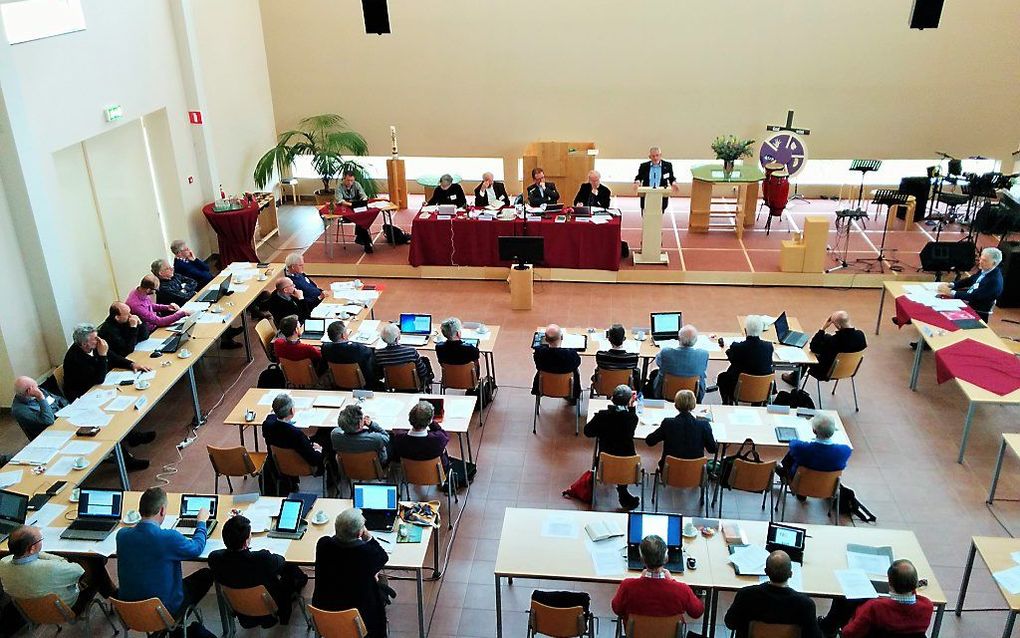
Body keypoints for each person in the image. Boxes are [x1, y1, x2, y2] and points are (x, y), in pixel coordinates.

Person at [116, 487, 213, 634]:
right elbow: (197, 547)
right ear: (162, 510)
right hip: (163, 610)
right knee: (205, 575)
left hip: (129, 611)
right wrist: (201, 522)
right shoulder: (168, 538)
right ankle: (177, 629)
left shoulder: (122, 535)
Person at [208, 515, 308, 628]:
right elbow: (281, 561)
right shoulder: (262, 559)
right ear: (246, 543)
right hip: (269, 604)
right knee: (290, 568)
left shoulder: (214, 558)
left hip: (240, 606)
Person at [0, 525, 117, 615]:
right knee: (95, 564)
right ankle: (115, 597)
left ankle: (113, 595)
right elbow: (80, 571)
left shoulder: (3, 563)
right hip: (66, 609)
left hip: (31, 611)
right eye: (40, 539)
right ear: (32, 549)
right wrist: (62, 559)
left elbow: (37, 556)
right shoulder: (53, 569)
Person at [313, 508, 391, 638]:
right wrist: (369, 538)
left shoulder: (323, 544)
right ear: (359, 532)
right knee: (380, 580)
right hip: (360, 619)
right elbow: (383, 557)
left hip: (325, 613)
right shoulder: (365, 554)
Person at [819, 559, 934, 638]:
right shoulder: (927, 606)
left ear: (890, 583)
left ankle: (827, 628)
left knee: (844, 601)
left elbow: (849, 634)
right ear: (914, 584)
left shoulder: (875, 607)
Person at [724, 550, 821, 638]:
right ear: (791, 574)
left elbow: (730, 623)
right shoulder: (805, 604)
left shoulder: (746, 595)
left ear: (766, 571)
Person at [611, 535, 704, 623]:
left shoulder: (627, 586)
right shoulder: (682, 590)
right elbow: (697, 612)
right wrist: (672, 582)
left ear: (642, 560)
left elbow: (617, 609)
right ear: (666, 558)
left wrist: (640, 580)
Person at [583, 385, 640, 509]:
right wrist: (631, 408)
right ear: (630, 401)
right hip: (627, 465)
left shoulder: (602, 416)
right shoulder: (632, 418)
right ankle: (623, 490)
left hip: (605, 464)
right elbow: (629, 418)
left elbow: (587, 432)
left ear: (612, 399)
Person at [62, 323, 149, 402]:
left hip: (101, 386)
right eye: (95, 338)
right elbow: (98, 379)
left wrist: (131, 364)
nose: (99, 340)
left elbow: (114, 357)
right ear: (85, 344)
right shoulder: (74, 358)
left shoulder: (93, 346)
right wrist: (102, 355)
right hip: (84, 394)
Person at [782, 311, 867, 387]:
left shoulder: (834, 341)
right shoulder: (861, 336)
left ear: (838, 325)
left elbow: (813, 348)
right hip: (848, 369)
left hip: (825, 372)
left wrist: (823, 328)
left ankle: (794, 379)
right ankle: (794, 378)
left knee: (808, 354)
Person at [263, 394, 324, 491]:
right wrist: (318, 450)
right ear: (292, 411)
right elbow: (314, 459)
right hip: (304, 466)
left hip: (279, 465)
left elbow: (270, 417)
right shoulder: (296, 435)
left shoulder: (267, 425)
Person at [645, 389, 717, 470]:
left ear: (676, 405)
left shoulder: (668, 423)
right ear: (694, 405)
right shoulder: (703, 425)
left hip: (669, 471)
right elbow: (712, 450)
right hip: (694, 472)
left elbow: (650, 441)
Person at [716, 315, 774, 405]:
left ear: (745, 330)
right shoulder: (769, 347)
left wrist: (727, 350)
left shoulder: (737, 347)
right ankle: (757, 403)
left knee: (722, 377)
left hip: (739, 388)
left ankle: (727, 403)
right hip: (762, 388)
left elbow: (732, 358)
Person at [937, 246, 1004, 322]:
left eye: (984, 260)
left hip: (976, 310)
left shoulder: (994, 281)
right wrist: (952, 284)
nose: (980, 262)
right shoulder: (986, 269)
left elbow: (974, 296)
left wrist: (951, 292)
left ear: (994, 263)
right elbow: (971, 279)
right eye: (980, 259)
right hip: (967, 300)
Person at [779, 413, 851, 480]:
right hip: (827, 486)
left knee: (792, 456)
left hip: (802, 483)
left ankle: (783, 473)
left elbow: (793, 443)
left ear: (814, 431)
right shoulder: (845, 451)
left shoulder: (802, 448)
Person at [653, 325, 710, 401]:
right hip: (693, 396)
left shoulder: (666, 352)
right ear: (696, 340)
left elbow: (658, 363)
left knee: (654, 374)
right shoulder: (703, 354)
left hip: (665, 393)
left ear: (679, 338)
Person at [391, 400, 451, 471]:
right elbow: (444, 434)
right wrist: (431, 423)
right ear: (429, 421)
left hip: (409, 476)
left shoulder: (399, 439)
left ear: (410, 419)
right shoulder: (437, 439)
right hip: (435, 476)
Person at [373, 323, 434, 389]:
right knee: (424, 360)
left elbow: (379, 375)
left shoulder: (378, 354)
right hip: (415, 385)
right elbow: (423, 373)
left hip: (392, 384)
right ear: (397, 337)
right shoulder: (411, 351)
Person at [532, 324, 582, 403]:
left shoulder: (539, 354)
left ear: (546, 339)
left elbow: (537, 365)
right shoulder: (570, 355)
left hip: (544, 387)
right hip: (568, 389)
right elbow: (578, 362)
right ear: (561, 337)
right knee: (575, 371)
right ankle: (572, 400)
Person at [125, 275, 190, 333]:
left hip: (155, 325)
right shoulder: (136, 306)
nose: (156, 291)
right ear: (148, 290)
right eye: (156, 289)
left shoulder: (139, 291)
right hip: (151, 332)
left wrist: (167, 307)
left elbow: (150, 305)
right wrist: (181, 314)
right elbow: (159, 322)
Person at [321, 320, 378, 386]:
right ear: (343, 335)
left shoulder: (325, 348)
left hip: (338, 382)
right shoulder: (357, 348)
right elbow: (369, 352)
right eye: (346, 332)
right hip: (362, 383)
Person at [11, 376, 67, 441]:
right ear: (29, 391)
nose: (38, 389)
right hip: (50, 433)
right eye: (36, 387)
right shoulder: (19, 410)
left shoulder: (37, 390)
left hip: (62, 418)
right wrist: (41, 398)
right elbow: (48, 420)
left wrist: (69, 409)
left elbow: (59, 399)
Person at [334, 170, 375, 252]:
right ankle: (366, 241)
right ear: (344, 179)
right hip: (346, 210)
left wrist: (363, 200)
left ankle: (362, 239)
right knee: (361, 218)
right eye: (348, 180)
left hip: (357, 207)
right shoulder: (339, 187)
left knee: (363, 216)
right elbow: (340, 200)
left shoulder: (356, 184)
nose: (350, 182)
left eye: (352, 180)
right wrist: (351, 205)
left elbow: (363, 195)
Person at [633, 147, 679, 211]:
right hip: (647, 195)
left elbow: (671, 178)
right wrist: (637, 182)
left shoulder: (667, 165)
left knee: (659, 215)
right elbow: (639, 177)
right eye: (653, 156)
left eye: (657, 155)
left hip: (661, 195)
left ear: (660, 155)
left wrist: (674, 183)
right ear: (649, 157)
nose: (655, 158)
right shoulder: (644, 166)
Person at [595, 323, 639, 389]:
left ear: (609, 339)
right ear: (624, 339)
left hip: (603, 387)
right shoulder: (632, 357)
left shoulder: (600, 355)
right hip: (625, 389)